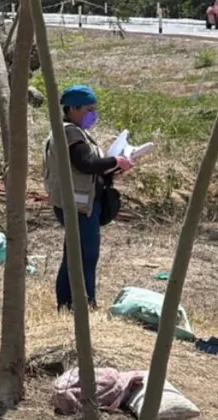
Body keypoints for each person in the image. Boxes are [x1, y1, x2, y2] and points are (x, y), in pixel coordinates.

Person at [43, 84, 133, 311]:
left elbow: (87, 169)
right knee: (85, 255)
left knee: (75, 255)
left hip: (81, 204)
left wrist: (111, 170)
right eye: (88, 110)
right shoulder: (70, 132)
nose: (93, 115)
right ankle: (83, 304)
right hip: (78, 206)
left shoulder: (75, 132)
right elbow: (86, 163)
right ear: (73, 108)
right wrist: (115, 161)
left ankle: (68, 304)